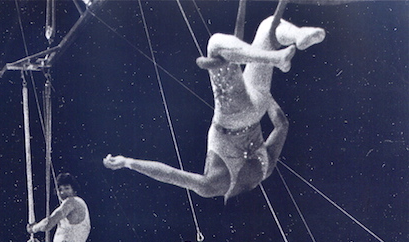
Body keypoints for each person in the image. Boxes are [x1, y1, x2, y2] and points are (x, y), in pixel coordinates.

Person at [103, 16, 325, 202]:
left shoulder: (265, 172)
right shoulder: (213, 187)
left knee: (269, 27)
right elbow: (169, 175)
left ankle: (297, 37)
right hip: (234, 116)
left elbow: (282, 125)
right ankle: (276, 56)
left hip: (257, 106)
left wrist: (266, 98)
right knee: (216, 45)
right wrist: (127, 162)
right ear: (228, 200)